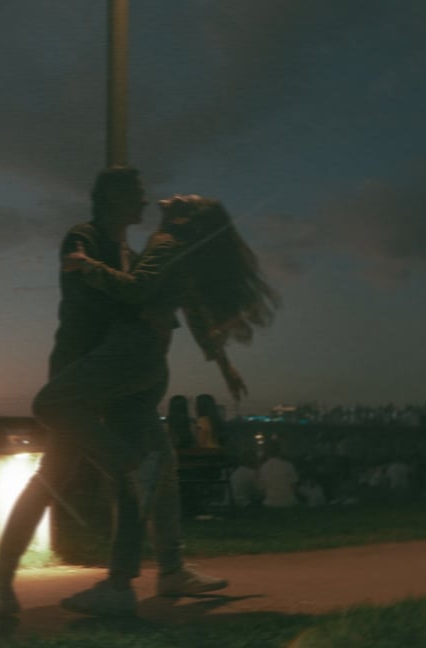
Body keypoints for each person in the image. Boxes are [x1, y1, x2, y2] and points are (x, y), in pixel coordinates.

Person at [0, 170, 231, 618]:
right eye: (137, 194)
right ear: (113, 197)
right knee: (58, 475)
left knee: (158, 467)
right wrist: (144, 308)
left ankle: (167, 570)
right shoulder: (84, 237)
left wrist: (160, 318)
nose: (145, 201)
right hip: (81, 372)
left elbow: (153, 296)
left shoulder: (129, 251)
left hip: (120, 376)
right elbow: (107, 295)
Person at [56, 193, 278, 614]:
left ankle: (119, 586)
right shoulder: (177, 247)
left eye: (187, 199)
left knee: (57, 409)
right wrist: (225, 366)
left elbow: (136, 290)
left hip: (130, 359)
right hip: (150, 363)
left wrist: (88, 267)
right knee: (164, 471)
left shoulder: (165, 242)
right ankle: (171, 570)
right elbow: (195, 312)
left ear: (186, 217)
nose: (177, 194)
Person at [257, 440, 299, 507]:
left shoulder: (262, 468)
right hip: (289, 502)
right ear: (279, 451)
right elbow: (294, 487)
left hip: (270, 503)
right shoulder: (288, 465)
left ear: (266, 452)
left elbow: (261, 490)